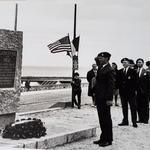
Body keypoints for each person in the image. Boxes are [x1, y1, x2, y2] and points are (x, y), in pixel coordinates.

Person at [93, 52, 115, 147]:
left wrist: (109, 99)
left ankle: (108, 140)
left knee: (106, 119)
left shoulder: (109, 69)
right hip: (99, 98)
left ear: (107, 58)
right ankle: (103, 137)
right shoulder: (101, 67)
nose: (99, 59)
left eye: (101, 58)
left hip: (105, 99)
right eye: (99, 58)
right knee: (101, 119)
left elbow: (111, 86)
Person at [116, 58, 138, 128]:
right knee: (124, 107)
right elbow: (117, 82)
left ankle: (134, 122)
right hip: (123, 93)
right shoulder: (119, 71)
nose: (123, 64)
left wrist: (134, 91)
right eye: (123, 62)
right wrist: (118, 89)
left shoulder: (133, 71)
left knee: (133, 108)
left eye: (125, 62)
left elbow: (136, 82)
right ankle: (125, 121)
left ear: (128, 63)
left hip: (131, 93)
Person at [135, 58, 150, 124]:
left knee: (145, 106)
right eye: (138, 62)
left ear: (143, 63)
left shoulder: (146, 72)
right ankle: (140, 118)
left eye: (140, 62)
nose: (139, 63)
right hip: (137, 92)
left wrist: (148, 91)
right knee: (138, 105)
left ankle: (146, 119)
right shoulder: (135, 71)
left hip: (145, 91)